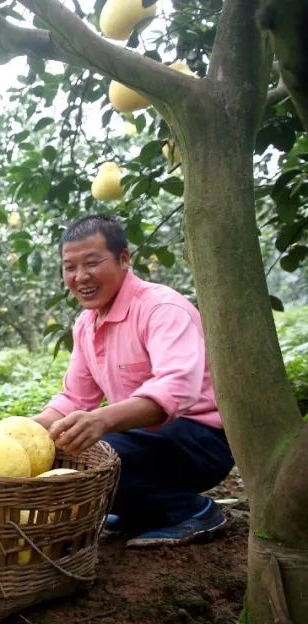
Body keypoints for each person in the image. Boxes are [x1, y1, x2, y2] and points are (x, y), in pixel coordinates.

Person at [31, 214, 234, 548]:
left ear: (124, 259)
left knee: (100, 455)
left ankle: (195, 511)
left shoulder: (162, 308)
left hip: (202, 440)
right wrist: (25, 431)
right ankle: (143, 509)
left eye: (92, 263)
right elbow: (74, 399)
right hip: (147, 440)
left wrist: (102, 421)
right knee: (63, 451)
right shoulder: (85, 325)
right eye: (70, 267)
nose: (81, 276)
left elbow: (176, 389)